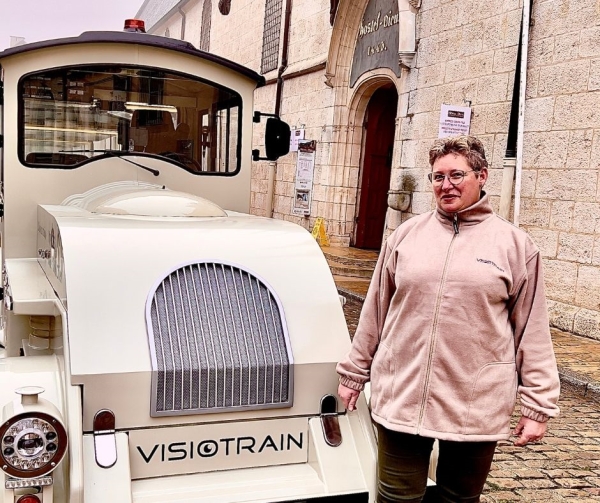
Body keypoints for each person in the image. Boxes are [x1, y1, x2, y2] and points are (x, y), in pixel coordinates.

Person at [337, 135, 560, 503]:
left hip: (475, 402)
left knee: (458, 498)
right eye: (437, 177)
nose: (446, 185)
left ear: (482, 175)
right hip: (403, 393)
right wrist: (353, 373)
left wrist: (538, 405)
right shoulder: (406, 236)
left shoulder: (515, 245)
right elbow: (375, 311)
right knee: (396, 497)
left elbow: (532, 332)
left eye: (457, 175)